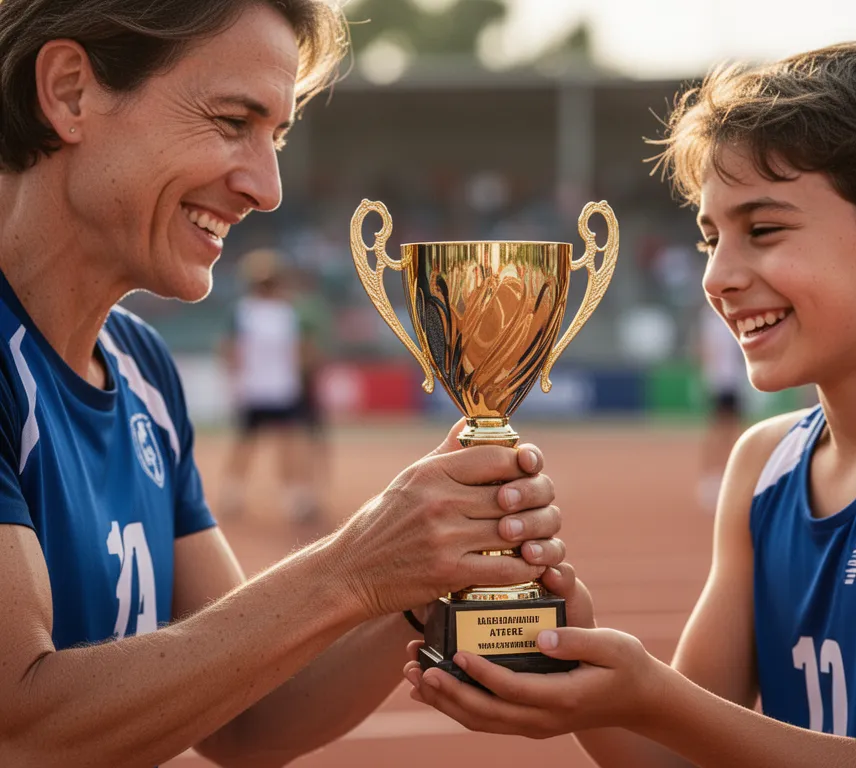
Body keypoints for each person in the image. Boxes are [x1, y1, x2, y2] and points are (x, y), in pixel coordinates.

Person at [405, 42, 856, 767]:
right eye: (709, 239)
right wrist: (573, 661)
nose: (717, 276)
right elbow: (675, 756)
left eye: (763, 230)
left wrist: (653, 695)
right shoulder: (765, 463)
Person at [0, 2, 566, 766]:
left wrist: (426, 579)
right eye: (233, 121)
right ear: (70, 91)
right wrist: (353, 565)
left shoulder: (142, 367)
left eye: (277, 137)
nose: (266, 188)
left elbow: (250, 718)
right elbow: (21, 731)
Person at [220, 248, 317, 522]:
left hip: (279, 387)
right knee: (250, 442)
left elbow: (299, 349)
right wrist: (235, 379)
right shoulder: (246, 311)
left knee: (283, 442)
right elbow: (231, 349)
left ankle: (293, 497)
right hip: (258, 388)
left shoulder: (285, 312)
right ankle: (235, 492)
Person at [696, 301, 746, 511]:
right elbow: (704, 349)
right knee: (719, 431)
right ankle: (711, 477)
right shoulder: (710, 318)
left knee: (731, 431)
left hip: (734, 381)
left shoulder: (733, 314)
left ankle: (726, 477)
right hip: (719, 382)